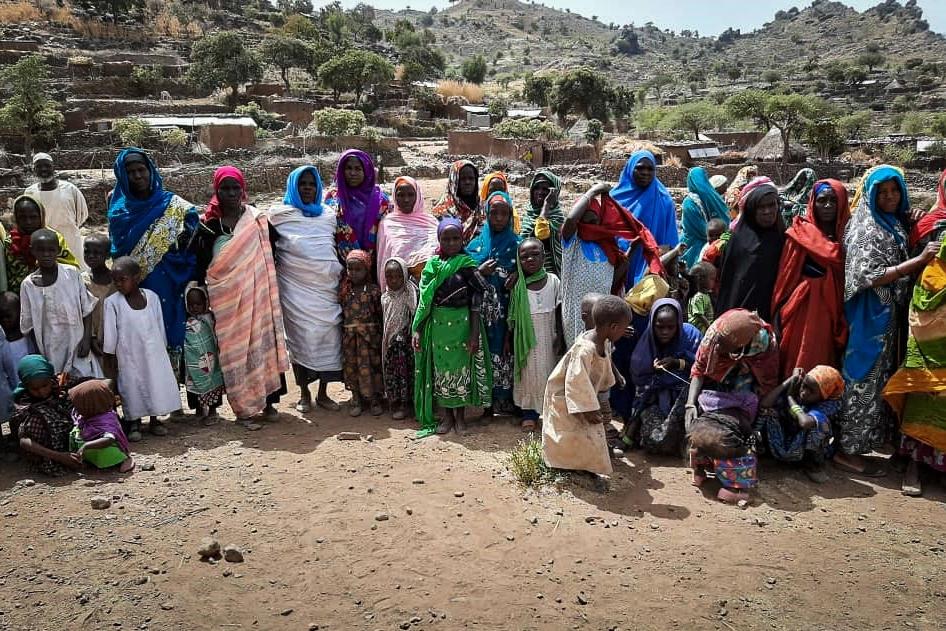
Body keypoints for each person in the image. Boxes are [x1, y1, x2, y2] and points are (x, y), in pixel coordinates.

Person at [837, 166, 939, 477]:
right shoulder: (866, 227)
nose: (890, 197)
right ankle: (846, 450)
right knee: (862, 378)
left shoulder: (891, 221)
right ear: (871, 195)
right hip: (869, 316)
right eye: (882, 192)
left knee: (879, 379)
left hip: (887, 317)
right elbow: (867, 276)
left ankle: (870, 440)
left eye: (895, 191)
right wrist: (917, 262)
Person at [204, 166, 288, 429]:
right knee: (234, 351)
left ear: (243, 190)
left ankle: (270, 401)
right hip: (226, 301)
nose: (231, 193)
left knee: (263, 343)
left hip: (258, 294)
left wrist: (260, 273)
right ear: (216, 191)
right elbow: (200, 262)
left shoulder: (257, 220)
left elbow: (272, 249)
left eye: (235, 188)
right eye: (225, 189)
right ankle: (243, 408)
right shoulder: (209, 225)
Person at [107, 148, 199, 364]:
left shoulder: (173, 206)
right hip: (136, 289)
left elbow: (192, 246)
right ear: (122, 176)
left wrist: (182, 269)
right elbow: (118, 252)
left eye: (142, 170)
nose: (138, 176)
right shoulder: (118, 213)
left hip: (172, 284)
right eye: (130, 172)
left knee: (172, 338)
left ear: (151, 171)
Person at [268, 166, 343, 415]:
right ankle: (304, 393)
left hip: (326, 289)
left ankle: (323, 392)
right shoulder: (279, 216)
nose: (307, 188)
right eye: (303, 184)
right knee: (301, 340)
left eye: (312, 184)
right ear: (293, 187)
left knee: (327, 338)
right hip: (294, 290)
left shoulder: (328, 215)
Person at [685, 309, 780, 503]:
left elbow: (767, 381)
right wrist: (690, 404)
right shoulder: (713, 338)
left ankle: (719, 473)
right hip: (719, 395)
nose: (720, 350)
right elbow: (699, 370)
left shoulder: (763, 343)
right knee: (715, 433)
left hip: (741, 397)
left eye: (727, 348)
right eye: (720, 347)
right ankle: (726, 478)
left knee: (727, 433)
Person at [411, 218, 492, 437]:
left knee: (461, 371)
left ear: (462, 239)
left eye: (456, 238)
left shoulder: (467, 265)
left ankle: (460, 417)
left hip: (462, 325)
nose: (451, 243)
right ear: (439, 240)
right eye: (446, 239)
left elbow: (476, 301)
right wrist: (418, 329)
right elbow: (425, 302)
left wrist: (474, 334)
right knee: (442, 371)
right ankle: (447, 417)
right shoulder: (432, 266)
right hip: (439, 328)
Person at [560, 183, 664, 346]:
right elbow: (570, 220)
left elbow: (612, 281)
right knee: (580, 353)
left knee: (601, 355)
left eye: (595, 220)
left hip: (603, 319)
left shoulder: (607, 247)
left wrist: (632, 250)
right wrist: (593, 191)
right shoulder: (573, 244)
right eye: (586, 219)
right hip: (577, 314)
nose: (591, 225)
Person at [542, 295, 631, 481]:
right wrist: (588, 408)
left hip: (581, 399)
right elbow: (575, 381)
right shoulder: (585, 349)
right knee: (568, 434)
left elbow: (603, 367)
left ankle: (583, 466)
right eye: (624, 328)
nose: (624, 332)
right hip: (566, 398)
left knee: (584, 433)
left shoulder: (603, 342)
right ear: (613, 327)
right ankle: (569, 467)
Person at [884, 232, 946, 495]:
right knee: (921, 399)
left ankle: (939, 468)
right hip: (927, 351)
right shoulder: (933, 271)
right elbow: (920, 313)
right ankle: (914, 466)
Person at [771, 179, 851, 381]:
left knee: (824, 358)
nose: (828, 206)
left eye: (833, 200)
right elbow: (786, 277)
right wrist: (778, 313)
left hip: (833, 309)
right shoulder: (800, 232)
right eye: (822, 200)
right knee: (799, 354)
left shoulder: (850, 235)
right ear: (813, 203)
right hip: (803, 307)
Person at [103, 256, 181, 441]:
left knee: (154, 384)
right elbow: (110, 333)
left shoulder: (152, 297)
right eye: (115, 281)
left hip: (153, 353)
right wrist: (110, 355)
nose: (118, 284)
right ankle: (134, 423)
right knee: (131, 387)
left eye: (123, 279)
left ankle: (155, 420)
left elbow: (159, 325)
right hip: (128, 356)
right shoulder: (112, 302)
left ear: (136, 278)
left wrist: (161, 349)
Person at [466, 191, 520, 416]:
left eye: (504, 214)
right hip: (480, 313)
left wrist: (518, 274)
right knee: (485, 350)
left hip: (508, 311)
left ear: (510, 216)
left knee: (505, 350)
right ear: (486, 214)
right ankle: (486, 401)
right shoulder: (476, 244)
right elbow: (463, 274)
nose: (498, 218)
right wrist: (479, 271)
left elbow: (531, 269)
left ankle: (504, 399)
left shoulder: (518, 245)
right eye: (494, 213)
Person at [20, 229, 100, 378]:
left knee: (84, 380)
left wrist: (86, 339)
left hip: (76, 343)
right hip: (49, 349)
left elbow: (87, 308)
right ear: (32, 251)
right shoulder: (28, 285)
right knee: (58, 383)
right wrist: (38, 354)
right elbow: (28, 325)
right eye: (41, 250)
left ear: (58, 250)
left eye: (51, 250)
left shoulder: (72, 274)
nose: (46, 254)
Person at [627, 298, 702, 455]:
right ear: (652, 324)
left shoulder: (691, 336)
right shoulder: (647, 345)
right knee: (655, 440)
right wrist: (654, 372)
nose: (665, 332)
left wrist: (678, 363)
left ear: (679, 324)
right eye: (660, 327)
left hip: (688, 400)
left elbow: (703, 368)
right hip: (657, 401)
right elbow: (641, 382)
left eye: (671, 327)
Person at [509, 238, 564, 432]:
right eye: (524, 257)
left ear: (544, 257)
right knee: (529, 375)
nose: (530, 259)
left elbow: (560, 310)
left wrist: (560, 335)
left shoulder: (553, 280)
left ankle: (550, 412)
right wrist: (509, 340)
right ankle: (529, 414)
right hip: (526, 338)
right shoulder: (518, 285)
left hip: (549, 335)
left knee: (551, 374)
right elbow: (512, 317)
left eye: (535, 255)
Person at [758, 365, 843, 483]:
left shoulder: (829, 405)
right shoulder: (796, 390)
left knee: (819, 425)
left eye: (812, 391)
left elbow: (804, 422)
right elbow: (765, 404)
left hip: (805, 449)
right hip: (788, 440)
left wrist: (790, 399)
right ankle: (768, 452)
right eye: (804, 386)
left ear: (824, 395)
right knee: (767, 411)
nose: (804, 392)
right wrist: (790, 380)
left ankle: (813, 466)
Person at [716, 177, 785, 322]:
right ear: (752, 210)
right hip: (741, 316)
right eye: (761, 207)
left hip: (775, 314)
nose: (767, 211)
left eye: (771, 205)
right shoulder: (739, 241)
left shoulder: (783, 237)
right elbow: (729, 284)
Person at [610, 151, 678, 286]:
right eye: (640, 168)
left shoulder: (664, 201)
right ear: (630, 169)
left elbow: (670, 240)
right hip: (616, 264)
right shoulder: (614, 199)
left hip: (650, 269)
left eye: (650, 169)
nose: (645, 173)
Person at [12, 355, 82, 476]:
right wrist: (60, 457)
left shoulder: (62, 383)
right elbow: (24, 442)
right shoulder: (24, 404)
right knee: (39, 417)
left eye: (45, 385)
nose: (41, 392)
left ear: (50, 378)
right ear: (26, 386)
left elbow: (104, 383)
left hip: (75, 438)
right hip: (48, 451)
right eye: (35, 389)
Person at [4, 194, 79, 293]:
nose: (28, 222)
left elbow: (72, 269)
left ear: (41, 216)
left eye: (33, 217)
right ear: (16, 218)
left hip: (55, 290)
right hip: (19, 292)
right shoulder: (10, 242)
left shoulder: (54, 238)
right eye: (22, 217)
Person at [339, 249, 384, 417]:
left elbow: (379, 314)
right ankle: (356, 398)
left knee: (372, 368)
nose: (354, 273)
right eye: (350, 269)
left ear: (367, 269)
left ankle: (374, 400)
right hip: (350, 339)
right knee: (352, 368)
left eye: (358, 269)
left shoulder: (373, 291)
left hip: (370, 339)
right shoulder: (345, 291)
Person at [26, 153, 89, 268]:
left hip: (71, 243)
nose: (43, 169)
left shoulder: (70, 189)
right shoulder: (30, 192)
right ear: (34, 170)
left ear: (53, 167)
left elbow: (82, 214)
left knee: (75, 274)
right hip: (45, 248)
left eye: (47, 165)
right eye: (39, 166)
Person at [325, 150, 390, 261]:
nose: (353, 173)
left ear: (366, 171)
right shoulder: (333, 198)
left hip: (374, 263)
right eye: (348, 168)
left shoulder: (381, 201)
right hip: (340, 263)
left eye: (358, 169)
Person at [375, 175, 438, 290]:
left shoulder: (431, 222)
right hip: (400, 289)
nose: (406, 200)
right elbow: (384, 258)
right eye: (401, 195)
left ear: (418, 196)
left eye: (411, 195)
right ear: (394, 196)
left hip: (433, 286)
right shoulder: (387, 224)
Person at [68, 379, 134, 472]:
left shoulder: (106, 420)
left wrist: (86, 445)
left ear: (90, 406)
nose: (75, 408)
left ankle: (122, 459)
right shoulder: (84, 417)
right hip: (89, 449)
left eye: (78, 405)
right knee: (74, 432)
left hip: (104, 449)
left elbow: (109, 438)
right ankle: (84, 459)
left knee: (105, 451)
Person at [380, 257, 417, 420]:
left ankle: (407, 404)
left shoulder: (409, 294)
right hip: (390, 344)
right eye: (389, 277)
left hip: (405, 345)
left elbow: (414, 315)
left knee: (406, 373)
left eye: (398, 276)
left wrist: (405, 333)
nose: (394, 280)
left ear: (405, 276)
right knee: (393, 372)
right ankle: (395, 401)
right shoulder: (385, 297)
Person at [183, 283, 224, 424]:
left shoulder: (211, 318)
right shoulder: (186, 321)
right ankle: (199, 410)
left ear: (206, 302)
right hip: (193, 362)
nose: (194, 307)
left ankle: (212, 411)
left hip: (211, 360)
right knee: (194, 383)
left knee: (213, 382)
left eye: (198, 304)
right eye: (191, 304)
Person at [82, 234, 117, 380]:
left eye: (97, 253)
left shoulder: (117, 282)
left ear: (107, 255)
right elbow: (82, 312)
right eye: (87, 252)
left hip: (115, 339)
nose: (91, 256)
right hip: (92, 339)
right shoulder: (82, 281)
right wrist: (90, 338)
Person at [681, 167, 731, 268]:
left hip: (695, 246)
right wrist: (721, 238)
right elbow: (725, 219)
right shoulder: (713, 198)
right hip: (718, 242)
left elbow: (697, 228)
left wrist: (712, 239)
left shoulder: (689, 202)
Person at [519, 169, 565, 275]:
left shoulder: (558, 218)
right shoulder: (529, 215)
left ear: (555, 192)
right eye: (536, 188)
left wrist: (546, 205)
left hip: (553, 276)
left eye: (545, 189)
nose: (540, 192)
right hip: (529, 275)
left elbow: (541, 233)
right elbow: (523, 244)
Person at [433, 159, 483, 243]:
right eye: (462, 179)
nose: (468, 182)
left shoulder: (482, 207)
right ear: (454, 181)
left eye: (471, 178)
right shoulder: (441, 211)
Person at [687, 262, 716, 334]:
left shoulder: (706, 294)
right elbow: (699, 315)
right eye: (712, 279)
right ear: (701, 279)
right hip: (697, 329)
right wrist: (709, 327)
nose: (714, 282)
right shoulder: (698, 297)